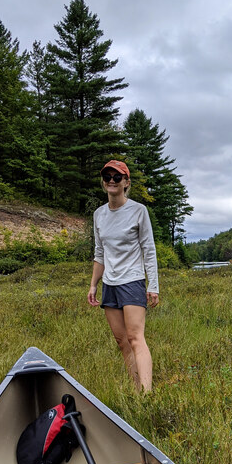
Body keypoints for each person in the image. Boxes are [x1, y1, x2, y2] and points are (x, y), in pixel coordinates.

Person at [87, 160, 159, 392]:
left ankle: (147, 394)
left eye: (117, 177)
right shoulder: (99, 214)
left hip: (132, 281)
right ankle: (136, 388)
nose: (111, 180)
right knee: (122, 342)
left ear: (126, 182)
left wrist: (153, 285)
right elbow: (100, 252)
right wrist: (93, 285)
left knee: (135, 337)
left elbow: (149, 249)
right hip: (110, 284)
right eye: (107, 176)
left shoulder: (139, 210)